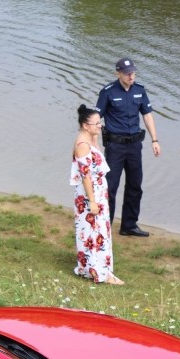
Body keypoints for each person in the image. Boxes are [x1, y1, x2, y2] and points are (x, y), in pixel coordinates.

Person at [95, 57, 161, 237]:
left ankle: (129, 225)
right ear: (118, 73)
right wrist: (93, 143)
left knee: (135, 185)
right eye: (127, 74)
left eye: (133, 73)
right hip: (115, 147)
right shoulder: (107, 91)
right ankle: (104, 226)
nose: (131, 76)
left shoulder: (140, 90)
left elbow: (147, 115)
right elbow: (96, 117)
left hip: (134, 146)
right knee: (110, 187)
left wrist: (155, 140)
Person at [70, 104, 123, 285]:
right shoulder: (83, 145)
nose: (100, 126)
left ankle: (93, 268)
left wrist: (95, 139)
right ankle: (99, 272)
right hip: (90, 194)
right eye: (96, 124)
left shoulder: (90, 140)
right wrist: (92, 201)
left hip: (98, 191)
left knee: (98, 229)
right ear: (86, 125)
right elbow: (85, 176)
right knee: (93, 230)